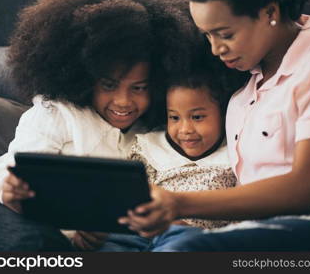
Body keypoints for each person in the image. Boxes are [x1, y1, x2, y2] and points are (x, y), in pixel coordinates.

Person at [118, 0, 310, 251]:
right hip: (262, 233)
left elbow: (304, 190)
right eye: (208, 35)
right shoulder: (242, 97)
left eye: (226, 34)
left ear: (270, 12)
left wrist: (178, 203)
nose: (216, 49)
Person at [0, 0, 195, 251]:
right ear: (84, 77)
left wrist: (91, 233)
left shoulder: (151, 135)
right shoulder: (56, 112)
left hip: (55, 232)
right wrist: (12, 188)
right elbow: (21, 171)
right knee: (35, 244)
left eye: (139, 87)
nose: (123, 101)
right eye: (109, 85)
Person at [75, 57, 242, 251]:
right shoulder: (150, 148)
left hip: (194, 238)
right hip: (139, 233)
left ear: (224, 114)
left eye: (197, 117)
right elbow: (126, 199)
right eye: (174, 117)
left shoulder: (233, 157)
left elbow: (239, 217)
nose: (185, 129)